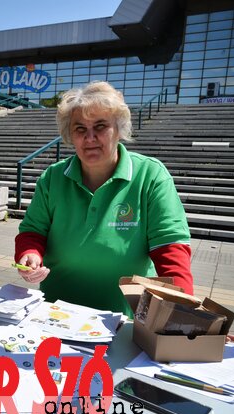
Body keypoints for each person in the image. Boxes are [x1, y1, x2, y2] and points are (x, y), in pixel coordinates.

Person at [14, 81, 193, 317]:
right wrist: (30, 255)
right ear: (70, 135)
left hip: (124, 317)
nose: (90, 138)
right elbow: (32, 232)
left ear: (119, 129)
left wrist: (186, 313)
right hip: (54, 312)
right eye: (80, 129)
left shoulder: (151, 175)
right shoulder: (52, 177)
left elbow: (170, 249)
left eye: (100, 126)